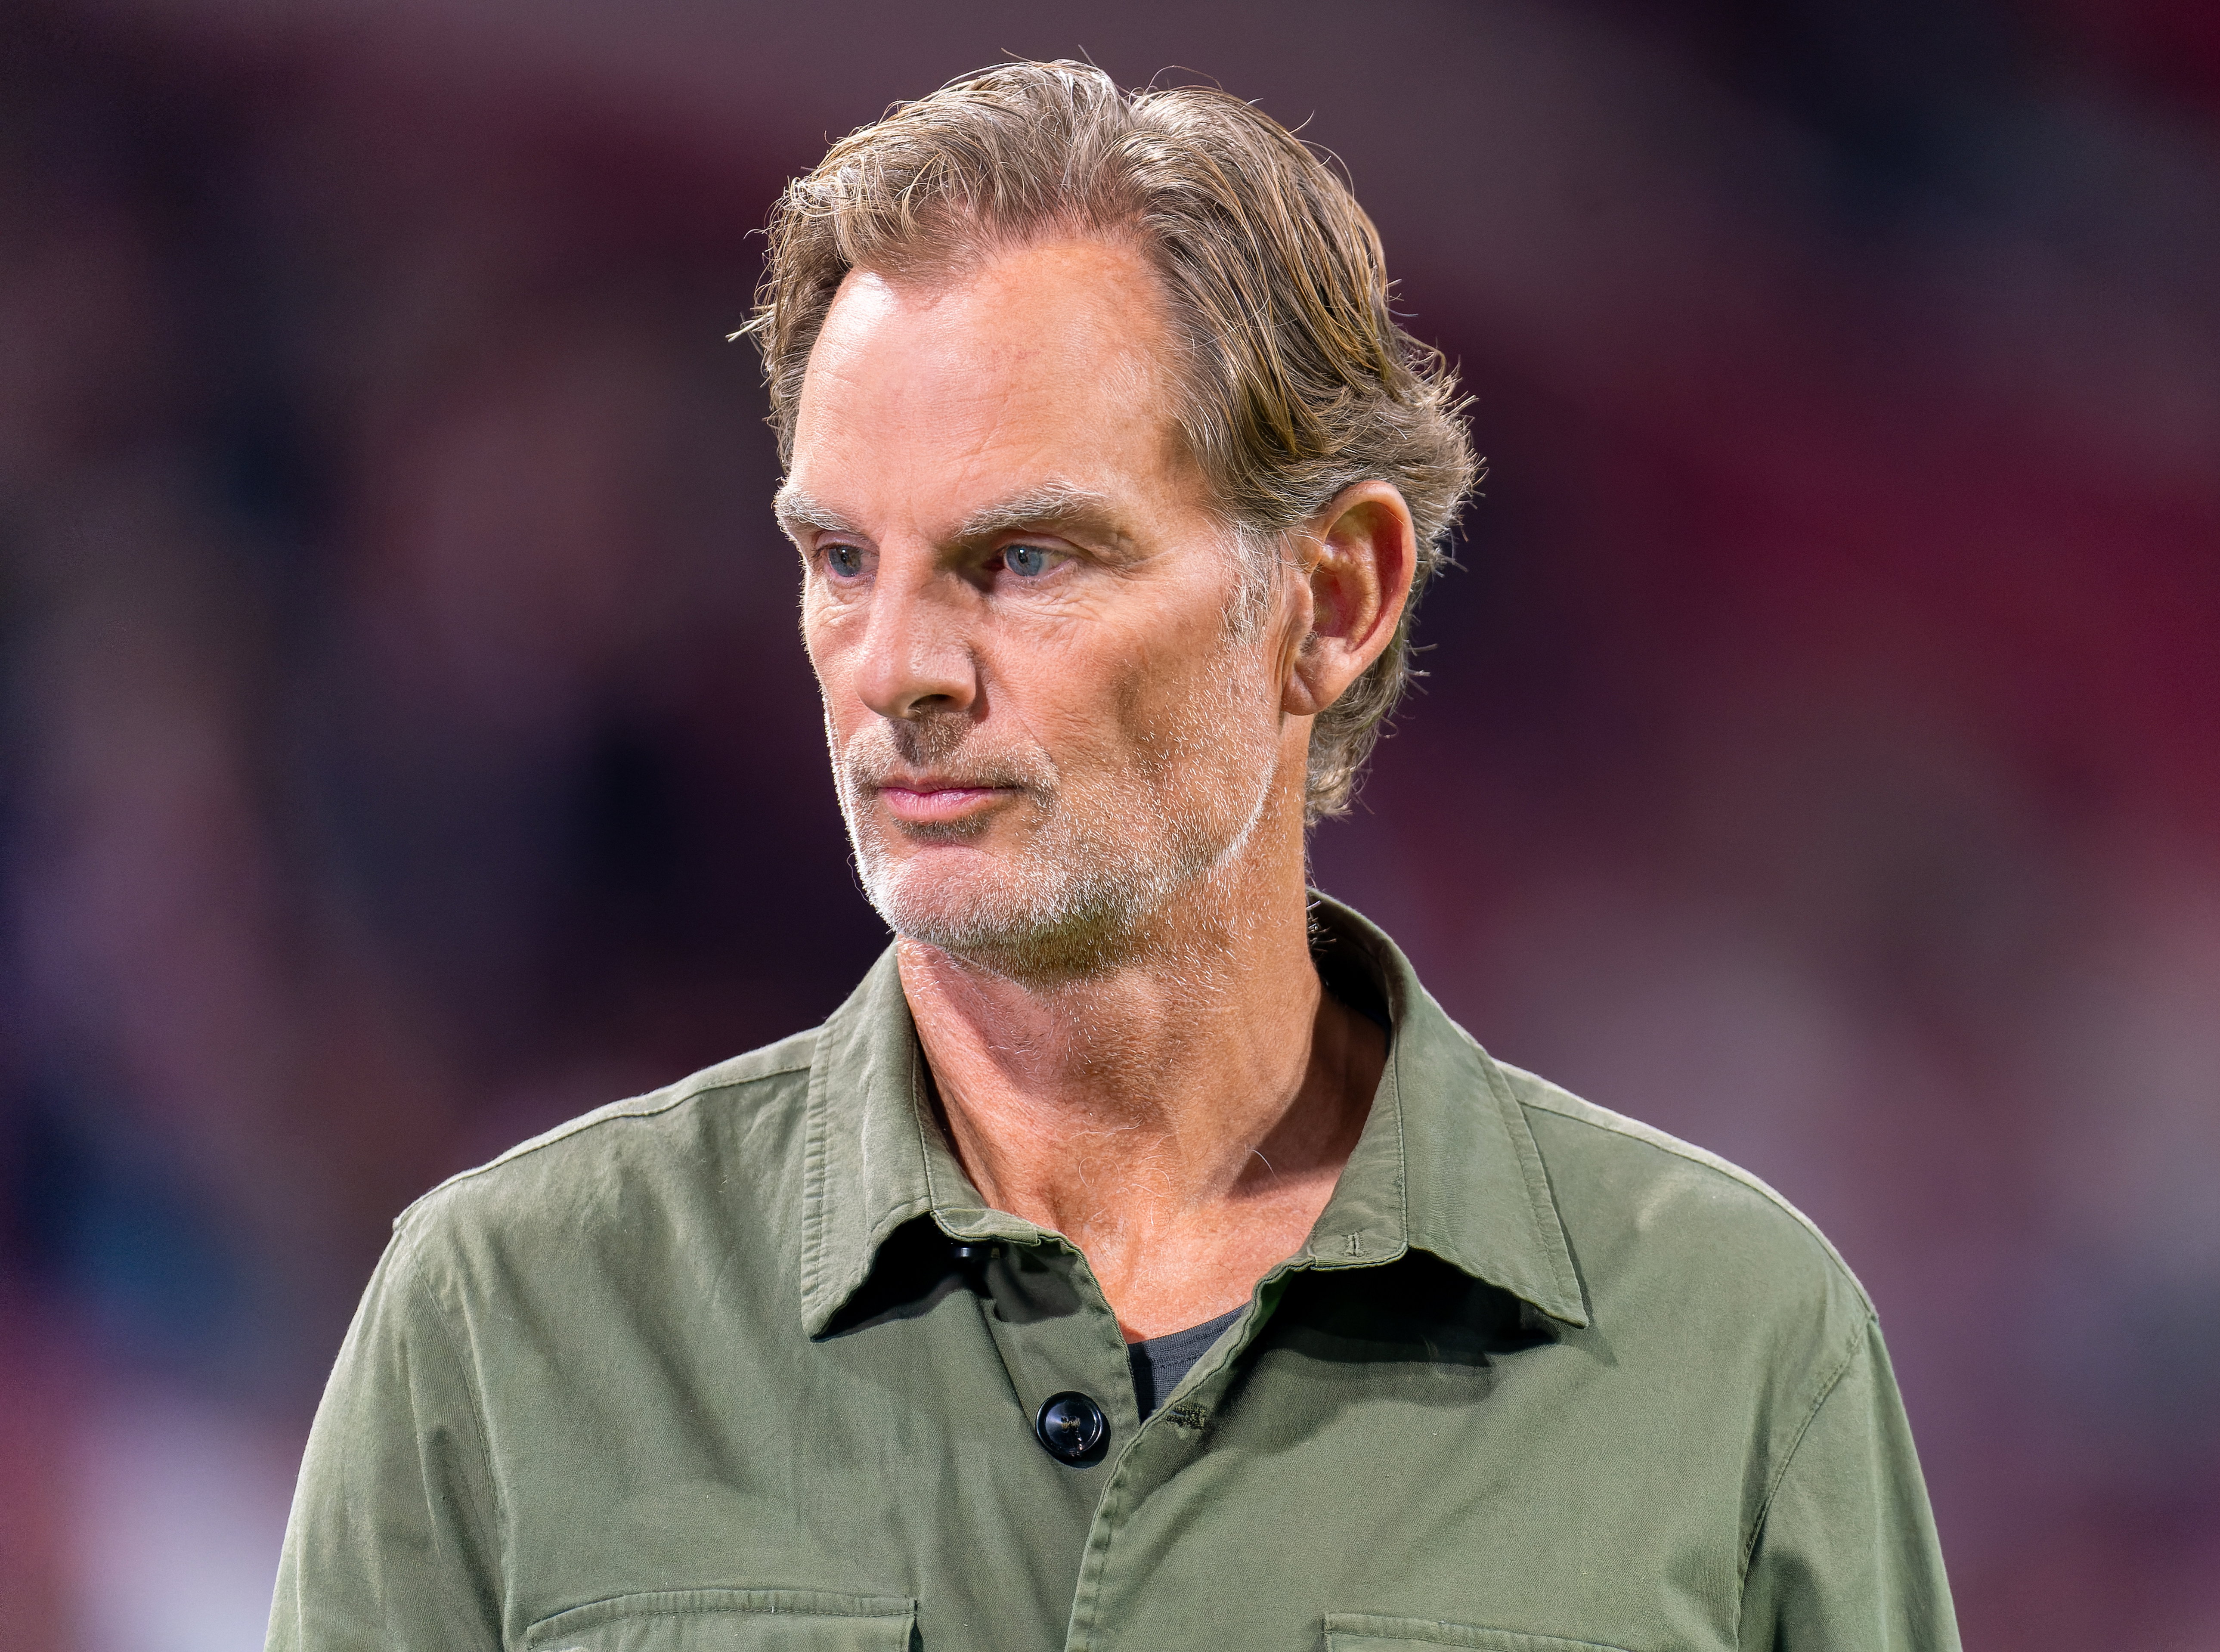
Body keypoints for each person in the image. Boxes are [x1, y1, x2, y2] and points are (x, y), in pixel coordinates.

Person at [267, 60, 1960, 1652]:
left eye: (1021, 560)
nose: (899, 667)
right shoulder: (509, 1324)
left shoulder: (1732, 1351)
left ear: (1333, 598)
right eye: (844, 558)